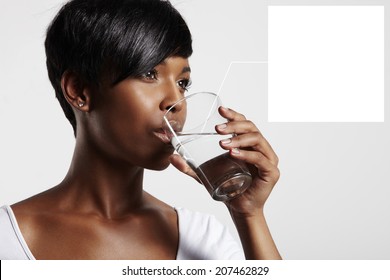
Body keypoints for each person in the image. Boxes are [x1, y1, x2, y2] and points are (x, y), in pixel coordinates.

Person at [0, 0, 281, 260]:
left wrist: (249, 214)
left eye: (183, 83)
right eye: (149, 73)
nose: (176, 101)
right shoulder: (7, 239)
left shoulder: (203, 238)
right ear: (79, 90)